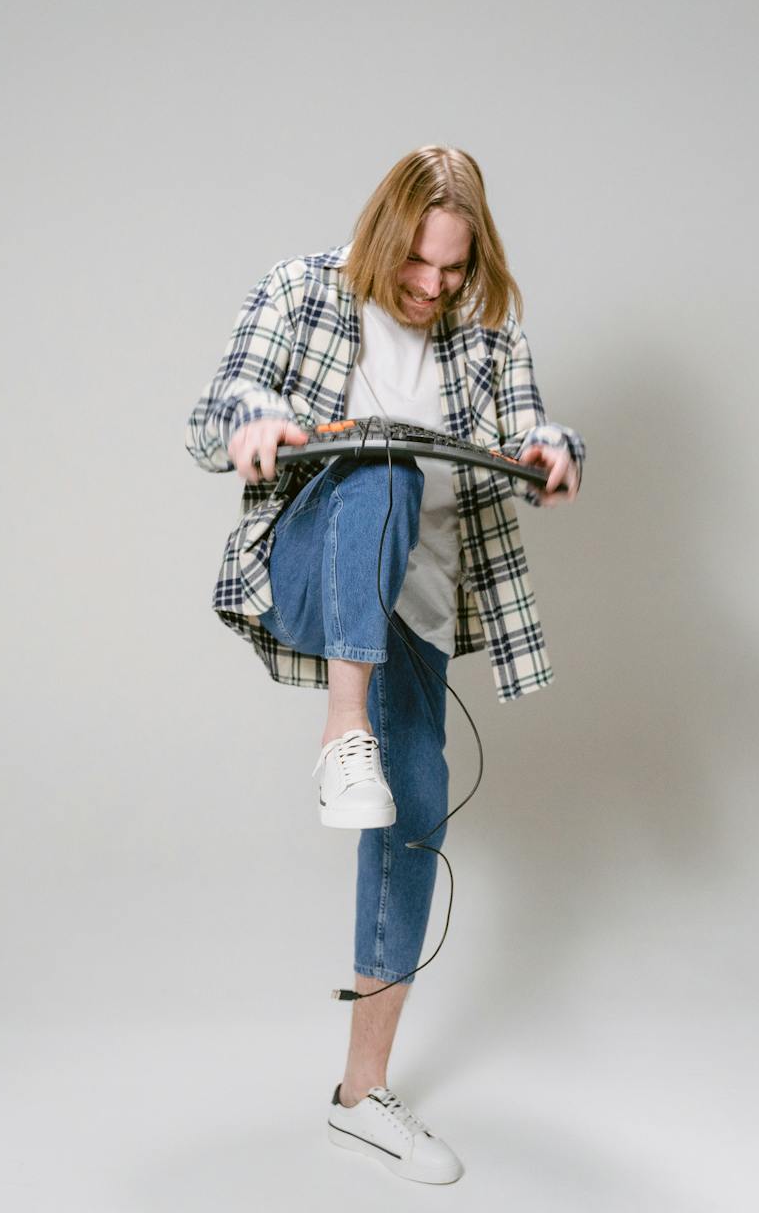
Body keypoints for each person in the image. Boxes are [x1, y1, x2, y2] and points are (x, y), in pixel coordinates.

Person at [182, 145, 584, 1184]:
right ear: (380, 234)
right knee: (386, 455)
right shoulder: (304, 288)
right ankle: (341, 731)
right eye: (416, 263)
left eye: (452, 269)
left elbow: (529, 419)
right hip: (318, 563)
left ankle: (361, 1095)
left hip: (419, 602)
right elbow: (221, 401)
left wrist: (550, 445)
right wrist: (256, 421)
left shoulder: (487, 334)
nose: (430, 286)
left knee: (416, 821)